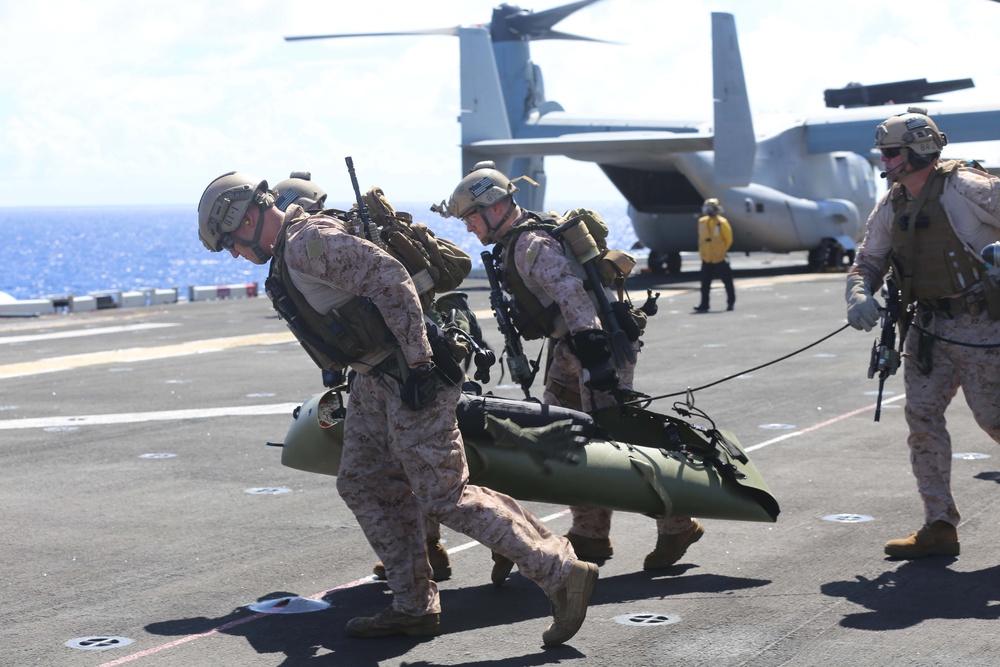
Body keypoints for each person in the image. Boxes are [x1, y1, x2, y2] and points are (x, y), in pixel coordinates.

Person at [197, 171, 598, 645]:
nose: (237, 255)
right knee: (363, 481)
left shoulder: (308, 242)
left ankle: (560, 570)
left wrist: (420, 363)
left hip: (409, 374)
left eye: (232, 244)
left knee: (443, 495)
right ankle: (413, 605)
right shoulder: (294, 246)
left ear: (244, 219)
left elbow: (392, 277)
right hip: (374, 377)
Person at [441, 161, 705, 579]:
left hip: (595, 347)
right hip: (569, 348)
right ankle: (591, 531)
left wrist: (596, 356)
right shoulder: (518, 241)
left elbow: (572, 295)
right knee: (565, 437)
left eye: (472, 218)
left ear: (494, 208)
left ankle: (678, 525)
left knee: (618, 443)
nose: (470, 228)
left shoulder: (531, 244)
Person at [845, 107, 1000, 559]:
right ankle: (938, 523)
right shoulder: (893, 202)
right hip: (928, 330)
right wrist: (858, 293)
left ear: (919, 150)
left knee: (994, 420)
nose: (884, 161)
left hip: (983, 325)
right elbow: (869, 259)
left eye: (891, 153)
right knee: (923, 422)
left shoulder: (967, 187)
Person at [693, 197, 735, 312]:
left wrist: (721, 251)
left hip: (719, 257)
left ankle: (730, 303)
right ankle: (704, 304)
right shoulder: (702, 222)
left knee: (727, 282)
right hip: (707, 257)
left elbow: (728, 239)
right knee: (705, 283)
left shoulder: (722, 223)